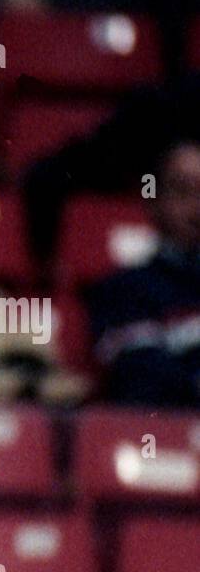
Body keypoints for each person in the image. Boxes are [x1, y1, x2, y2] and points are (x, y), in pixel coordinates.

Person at [84, 137, 200, 409]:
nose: (197, 207)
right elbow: (141, 383)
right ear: (155, 201)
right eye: (183, 191)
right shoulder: (124, 290)